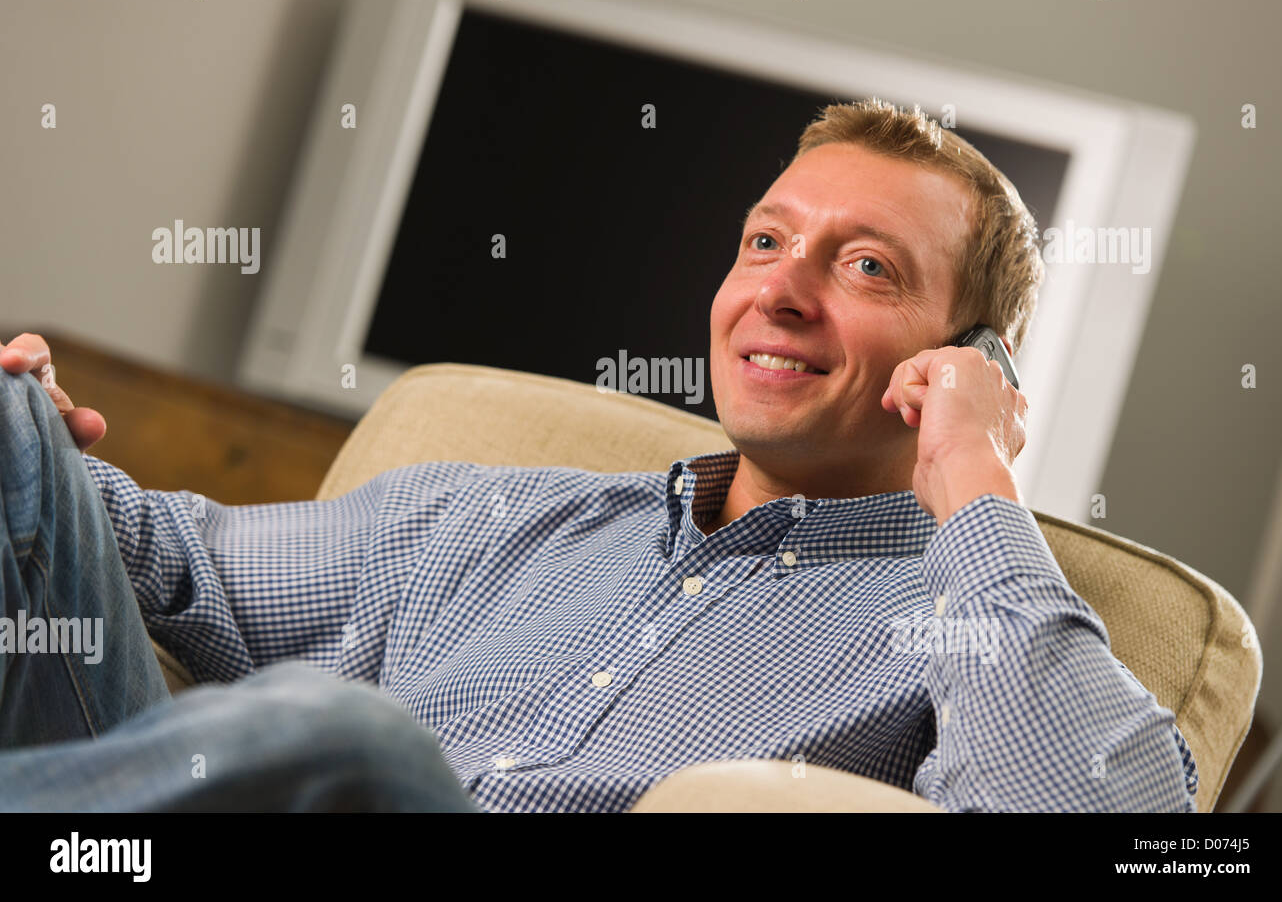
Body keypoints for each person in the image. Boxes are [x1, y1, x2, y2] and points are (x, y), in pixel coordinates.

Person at [0, 98, 1197, 812]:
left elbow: (1098, 812)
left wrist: (977, 481)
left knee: (346, 737)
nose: (777, 287)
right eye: (766, 239)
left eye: (866, 264)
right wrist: (39, 440)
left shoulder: (967, 623)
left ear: (969, 359)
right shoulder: (492, 519)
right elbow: (158, 551)